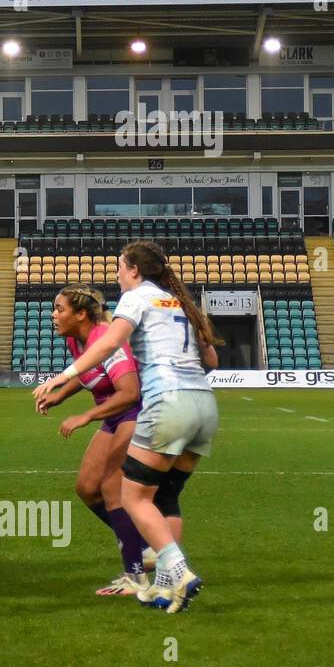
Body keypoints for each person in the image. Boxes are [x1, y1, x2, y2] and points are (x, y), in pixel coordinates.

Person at [33, 240, 221, 614]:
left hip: (168, 403)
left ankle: (177, 569)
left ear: (134, 270)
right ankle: (168, 590)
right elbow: (211, 358)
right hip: (205, 405)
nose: (117, 273)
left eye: (120, 265)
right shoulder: (180, 302)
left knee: (131, 497)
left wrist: (61, 377)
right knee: (163, 497)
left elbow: (109, 345)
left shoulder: (136, 298)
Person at [34, 285, 147, 596]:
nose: (53, 315)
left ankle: (136, 576)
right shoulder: (76, 339)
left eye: (59, 309)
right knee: (87, 488)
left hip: (135, 414)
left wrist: (85, 417)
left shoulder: (107, 340)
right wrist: (59, 397)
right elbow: (88, 376)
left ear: (81, 314)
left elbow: (129, 393)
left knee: (112, 488)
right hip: (113, 417)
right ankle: (145, 546)